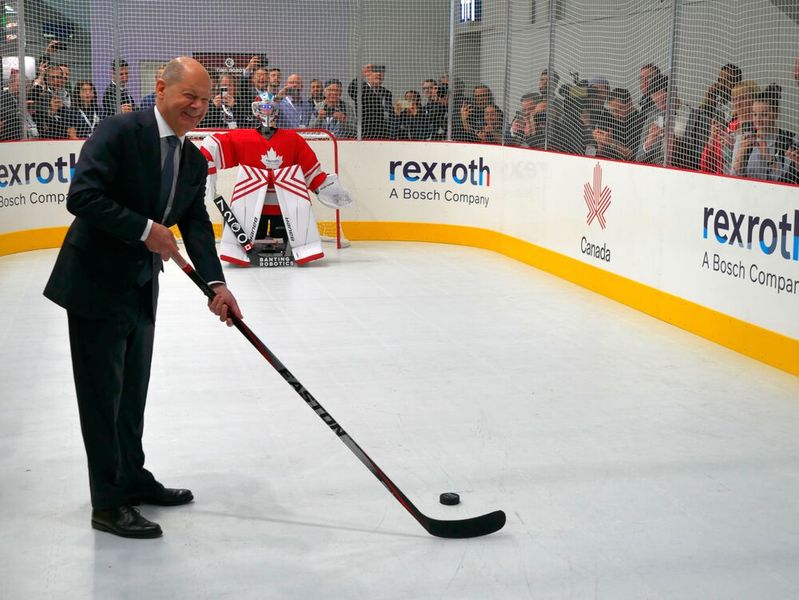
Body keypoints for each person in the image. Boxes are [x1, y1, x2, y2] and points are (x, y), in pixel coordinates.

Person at [43, 56, 241, 539]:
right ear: (161, 89)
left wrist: (217, 285)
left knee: (131, 394)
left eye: (205, 100)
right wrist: (144, 229)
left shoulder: (192, 159)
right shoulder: (118, 132)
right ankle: (108, 504)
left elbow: (194, 223)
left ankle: (132, 477)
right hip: (93, 285)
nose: (197, 107)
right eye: (188, 96)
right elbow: (83, 197)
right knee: (101, 398)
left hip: (139, 286)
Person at [201, 94, 353, 266]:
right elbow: (211, 144)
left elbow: (312, 172)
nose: (266, 111)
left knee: (284, 238)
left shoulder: (293, 140)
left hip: (285, 208)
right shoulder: (243, 138)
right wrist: (207, 173)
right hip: (250, 208)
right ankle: (240, 251)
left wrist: (327, 189)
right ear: (256, 109)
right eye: (263, 107)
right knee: (252, 239)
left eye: (270, 107)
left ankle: (297, 247)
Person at [731, 85, 798, 183]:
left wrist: (767, 156)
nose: (758, 120)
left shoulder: (790, 140)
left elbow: (786, 180)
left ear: (776, 113)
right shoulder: (744, 138)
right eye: (754, 114)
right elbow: (732, 177)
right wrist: (741, 153)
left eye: (764, 114)